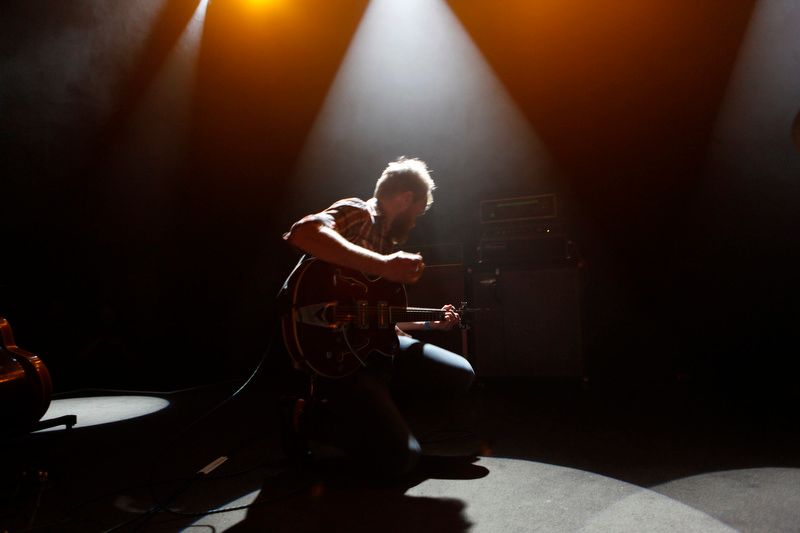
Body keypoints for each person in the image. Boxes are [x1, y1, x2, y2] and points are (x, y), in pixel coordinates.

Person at [282, 156, 475, 479]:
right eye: (417, 214)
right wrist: (384, 266)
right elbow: (302, 234)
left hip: (369, 350)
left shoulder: (386, 244)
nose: (414, 223)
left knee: (459, 373)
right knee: (400, 460)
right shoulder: (359, 212)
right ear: (405, 198)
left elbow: (379, 319)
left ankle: (382, 419)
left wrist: (431, 324)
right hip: (337, 353)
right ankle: (312, 417)